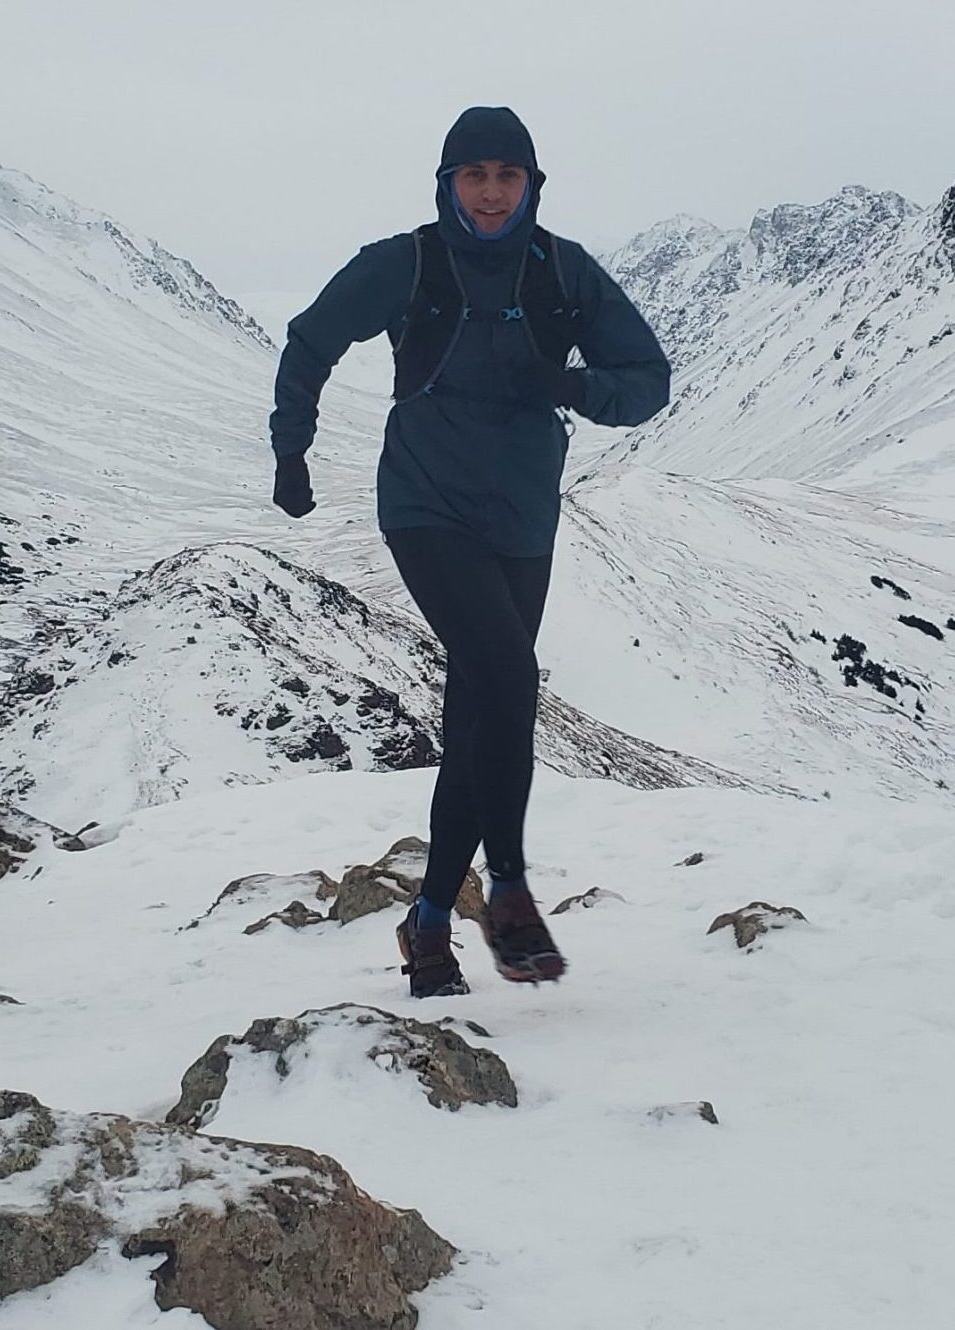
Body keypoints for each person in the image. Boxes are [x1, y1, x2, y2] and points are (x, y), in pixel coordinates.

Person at [267, 106, 671, 998]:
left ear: (531, 184)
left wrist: (571, 384)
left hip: (523, 514)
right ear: (445, 183)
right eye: (472, 175)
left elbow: (648, 382)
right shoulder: (404, 264)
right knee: (509, 678)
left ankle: (426, 925)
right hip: (426, 503)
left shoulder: (565, 272)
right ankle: (513, 890)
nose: (490, 193)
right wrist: (291, 446)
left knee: (480, 714)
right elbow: (311, 337)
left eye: (506, 175)